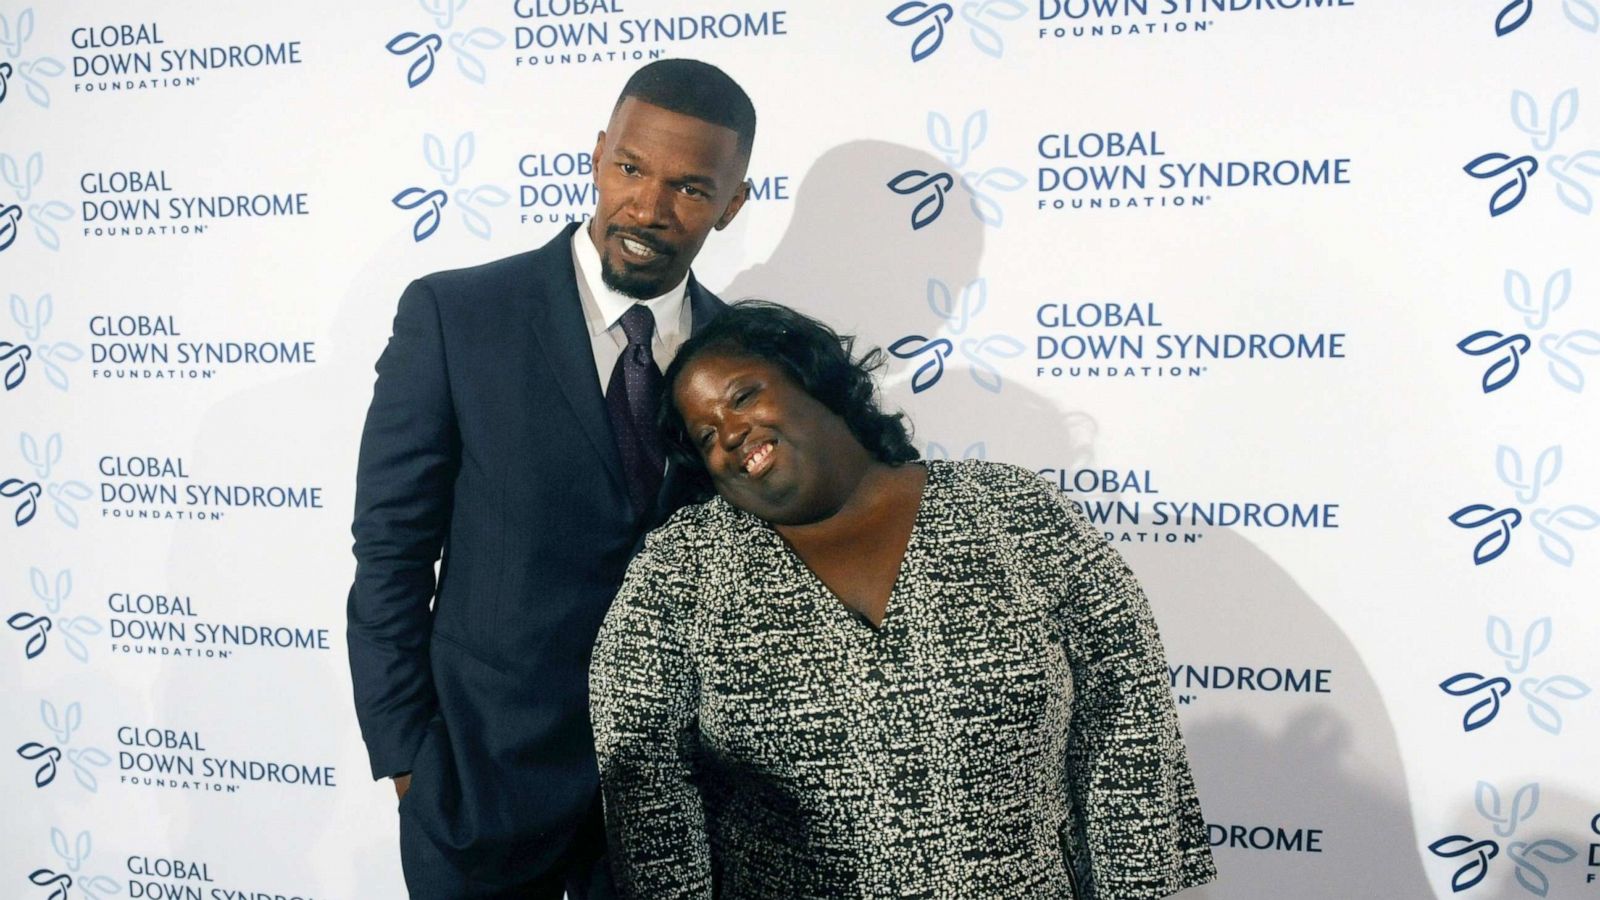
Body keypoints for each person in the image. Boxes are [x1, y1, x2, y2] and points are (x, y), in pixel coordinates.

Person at [590, 301, 1217, 899]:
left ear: (815, 381)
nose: (730, 433)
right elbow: (647, 785)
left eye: (744, 396)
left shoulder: (1014, 512)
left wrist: (1134, 884)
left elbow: (1126, 708)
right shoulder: (682, 567)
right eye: (705, 436)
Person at [346, 59, 756, 898]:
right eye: (631, 169)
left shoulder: (747, 357)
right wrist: (408, 760)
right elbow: (390, 549)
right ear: (599, 153)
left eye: (689, 188)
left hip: (672, 805)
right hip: (480, 790)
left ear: (733, 203)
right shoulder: (458, 316)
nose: (647, 209)